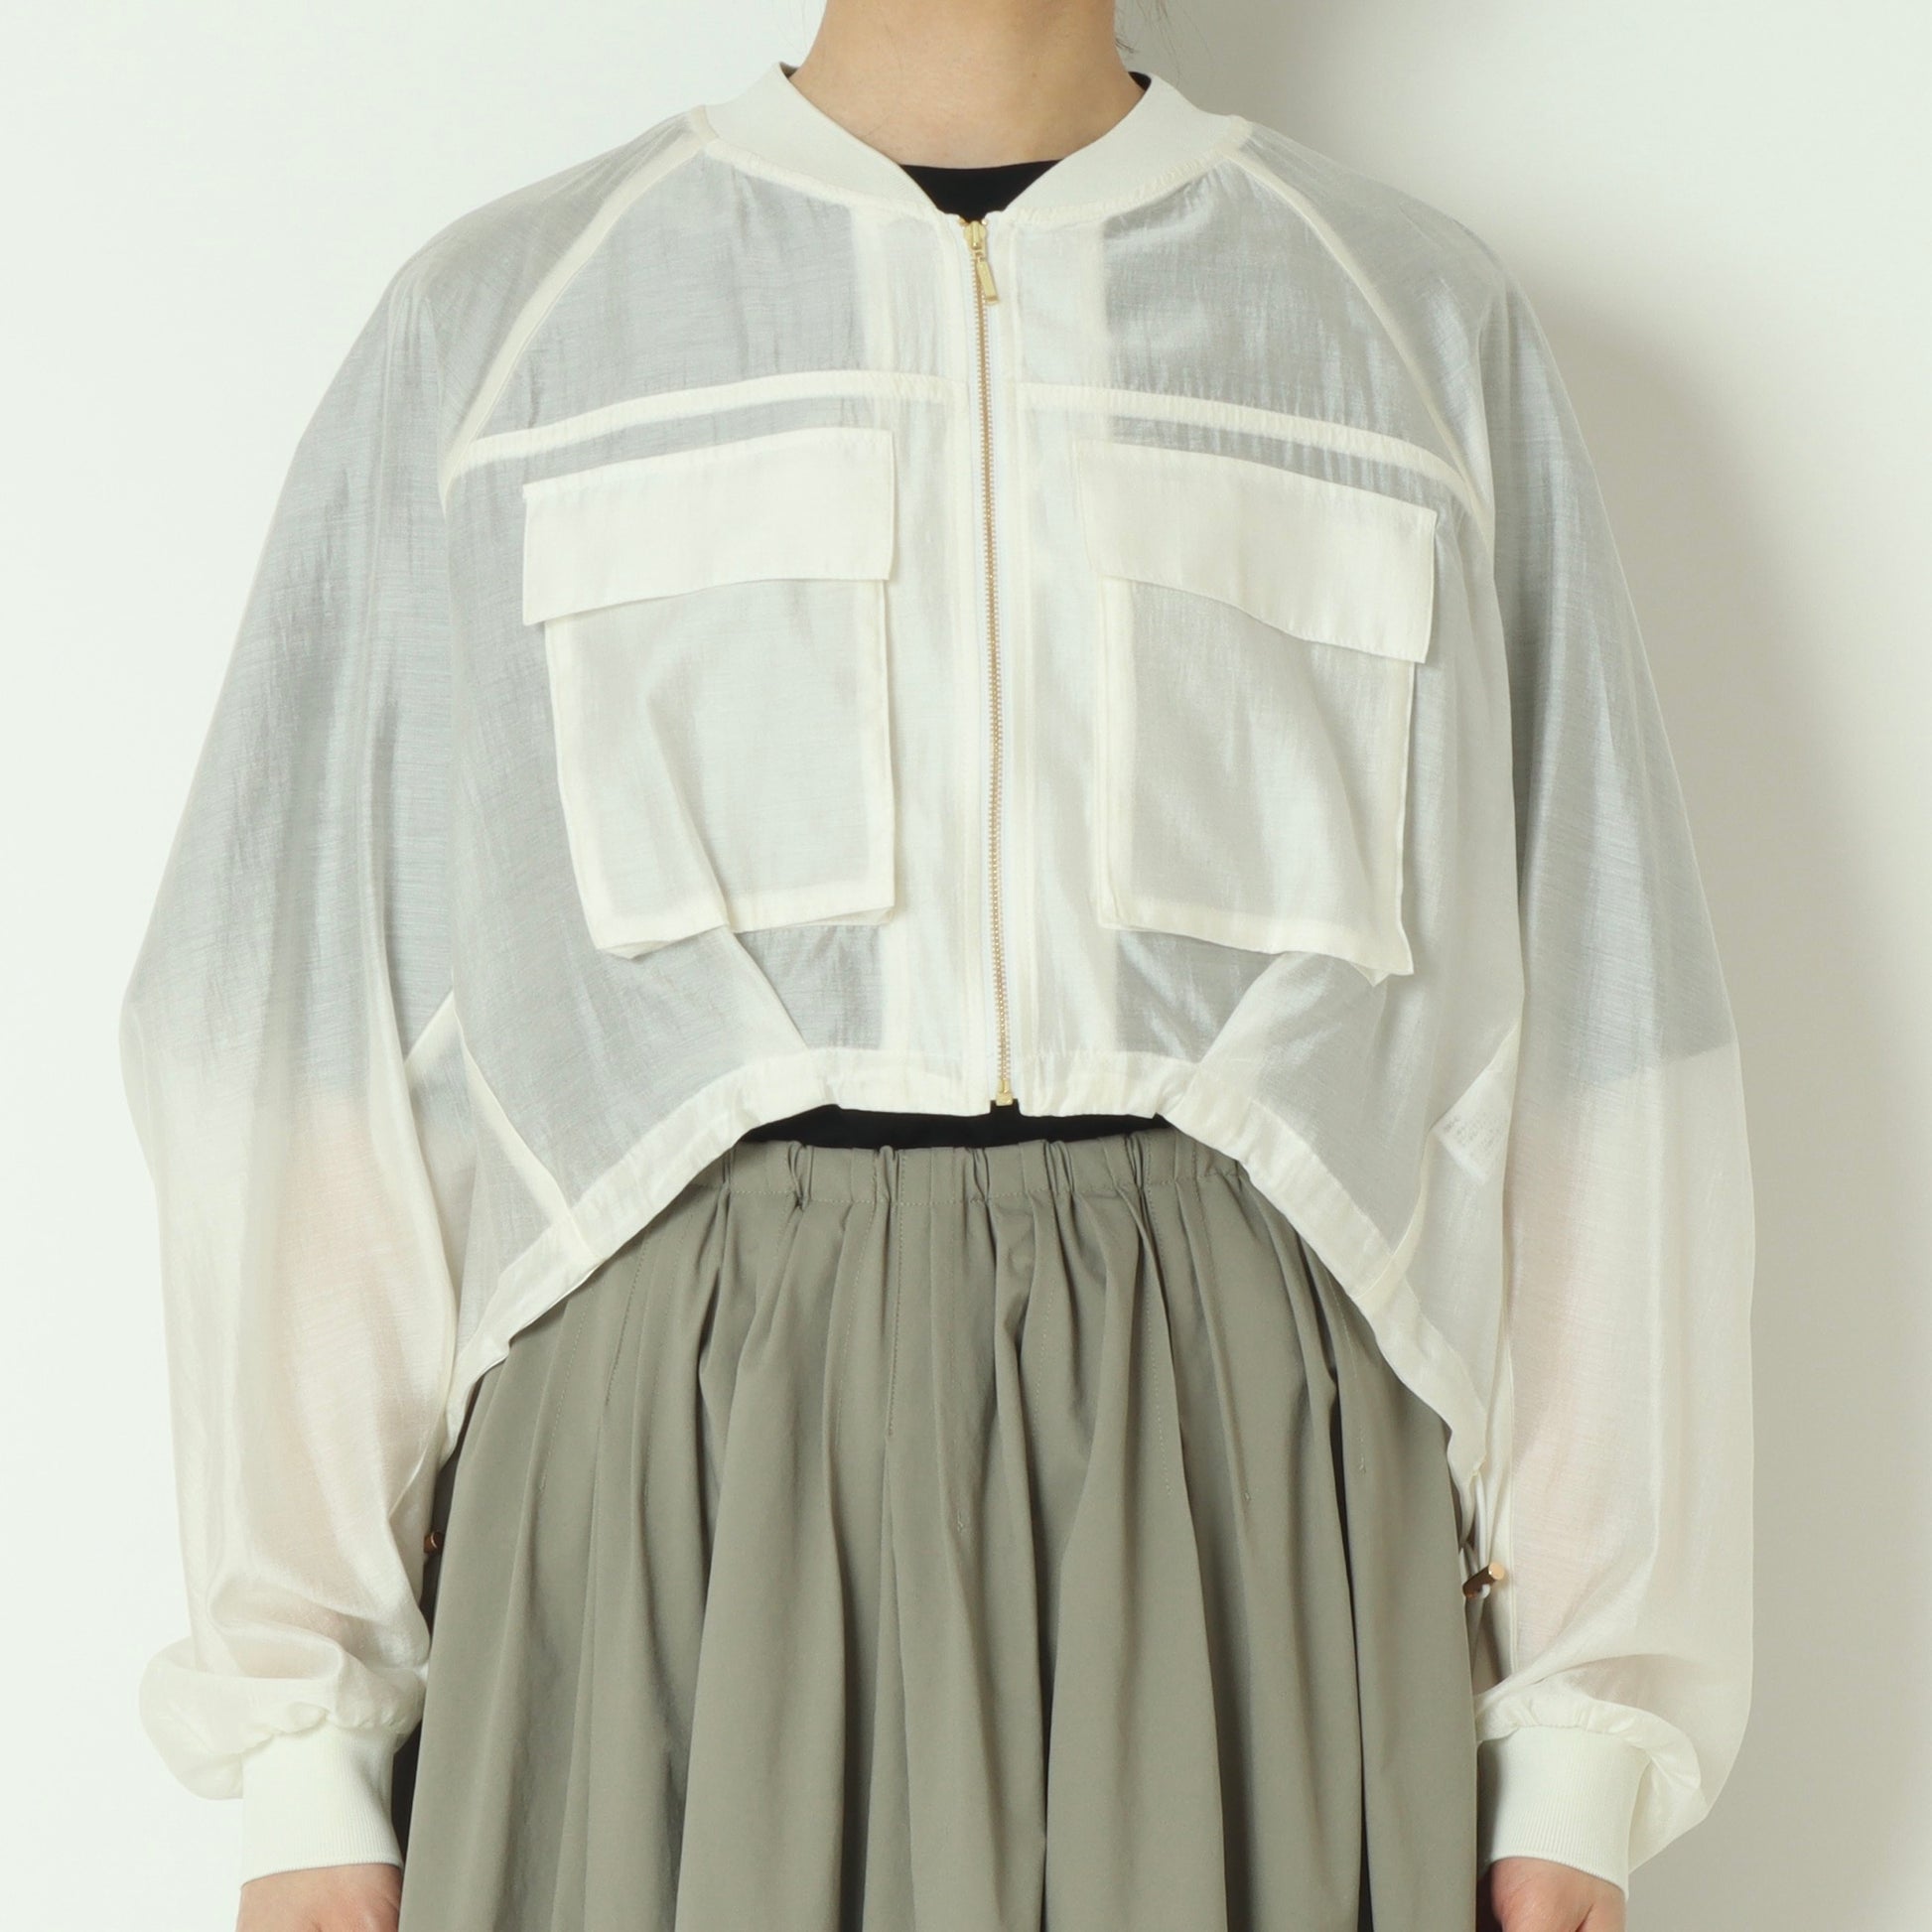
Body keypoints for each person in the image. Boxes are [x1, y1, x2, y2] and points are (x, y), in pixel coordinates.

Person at [116, 4, 1757, 1931]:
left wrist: (1582, 1734)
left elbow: (1596, 1034)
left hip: (1233, 1477)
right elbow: (305, 1013)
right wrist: (305, 1744)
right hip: (675, 1471)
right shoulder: (508, 324)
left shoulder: (1399, 320)